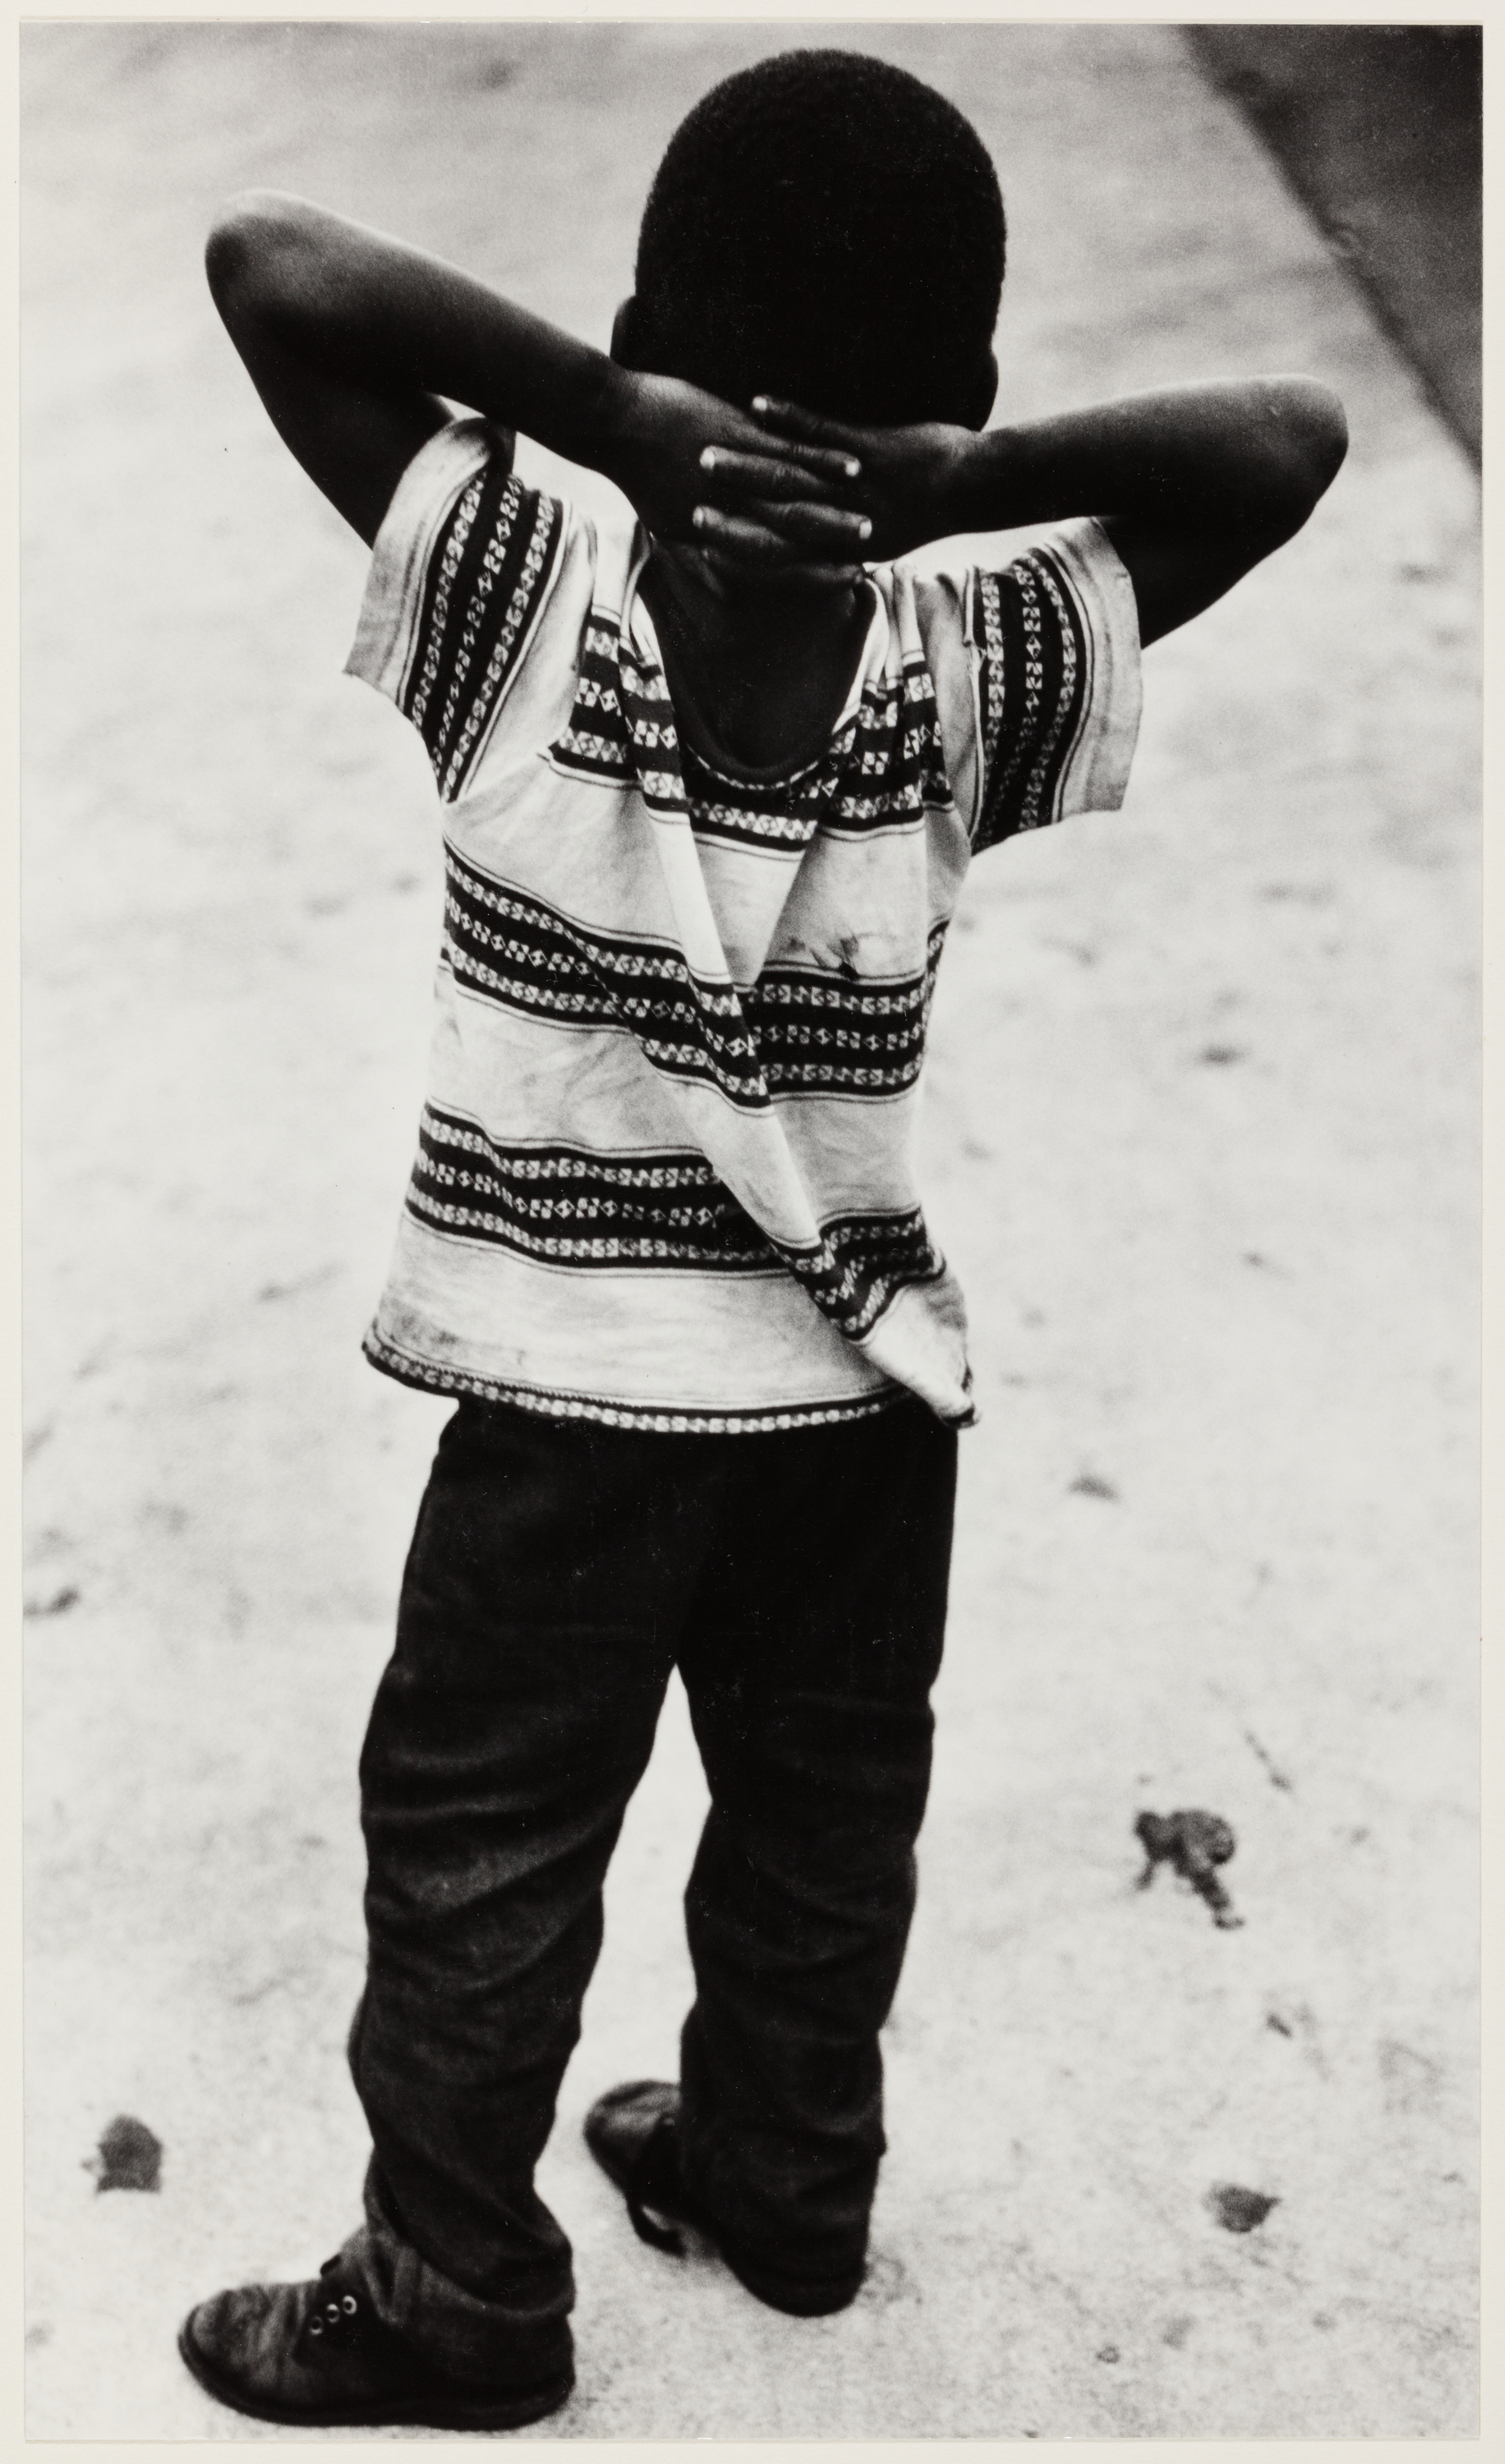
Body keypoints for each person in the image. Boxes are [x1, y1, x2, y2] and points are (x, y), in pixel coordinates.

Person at [181, 47, 1346, 2433]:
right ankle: (785, 2186)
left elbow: (274, 269)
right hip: (856, 1398)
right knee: (825, 1818)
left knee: (487, 1842)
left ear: (651, 330)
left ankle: (457, 2299)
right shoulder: (958, 667)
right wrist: (976, 490)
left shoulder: (522, 590)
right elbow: (1286, 440)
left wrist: (606, 415)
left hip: (569, 1409)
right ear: (960, 394)